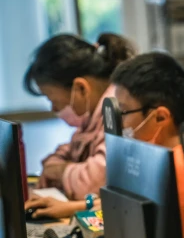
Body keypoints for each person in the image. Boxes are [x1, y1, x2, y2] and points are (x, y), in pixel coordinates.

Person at [25, 52, 184, 238]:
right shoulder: (164, 156)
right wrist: (70, 207)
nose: (118, 122)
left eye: (124, 112)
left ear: (160, 117)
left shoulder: (175, 169)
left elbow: (123, 214)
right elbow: (119, 202)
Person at [23, 33, 135, 215]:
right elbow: (64, 152)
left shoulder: (119, 111)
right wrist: (61, 168)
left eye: (52, 98)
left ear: (81, 88)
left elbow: (93, 182)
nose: (53, 108)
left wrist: (60, 171)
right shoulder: (93, 117)